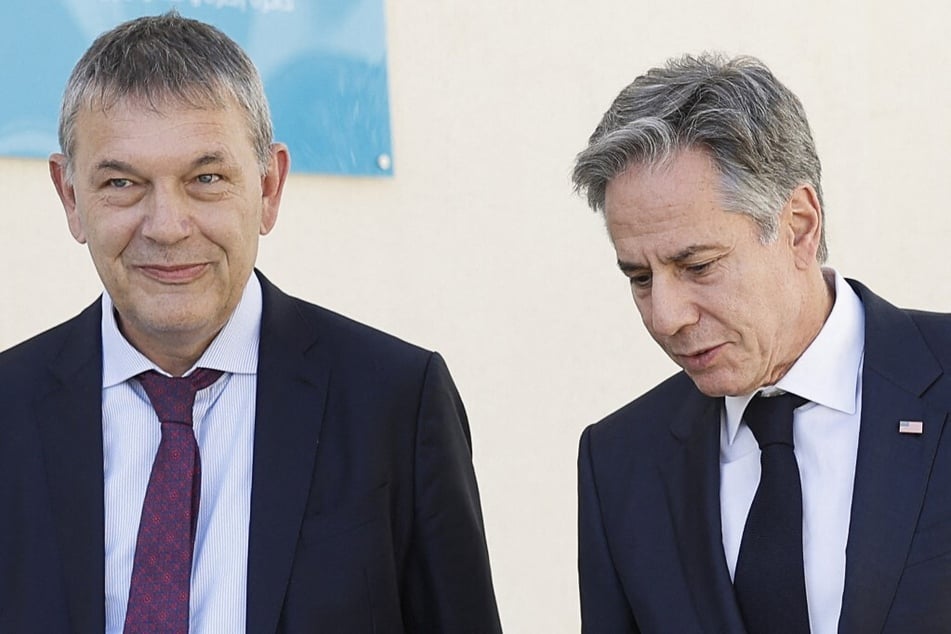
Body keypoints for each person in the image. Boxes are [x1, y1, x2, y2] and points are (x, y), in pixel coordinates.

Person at [0, 12, 502, 633]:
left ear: (268, 187)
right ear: (71, 197)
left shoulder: (396, 400)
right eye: (123, 182)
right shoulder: (9, 406)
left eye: (206, 179)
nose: (167, 225)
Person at [571, 54, 951, 634]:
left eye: (696, 265)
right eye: (639, 279)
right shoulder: (620, 461)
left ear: (799, 225)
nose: (666, 317)